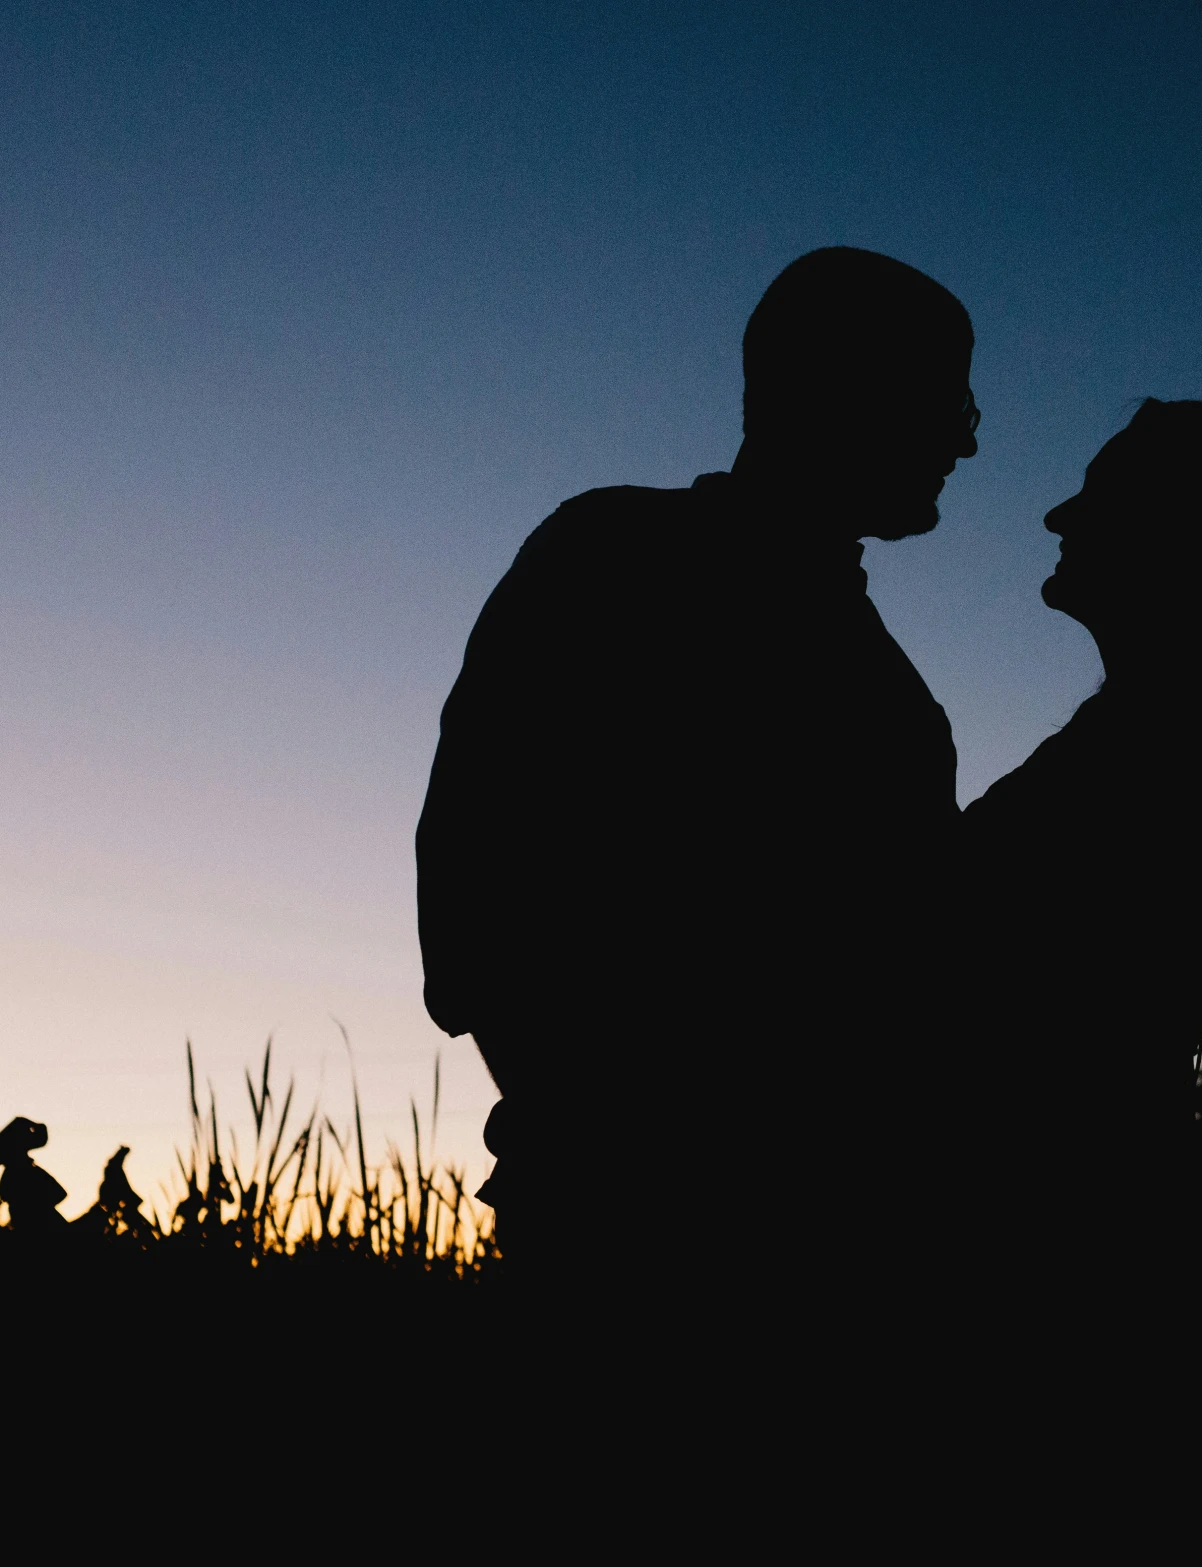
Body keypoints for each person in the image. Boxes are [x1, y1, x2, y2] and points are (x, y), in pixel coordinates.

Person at [416, 248, 978, 1252]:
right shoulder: (609, 556)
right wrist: (591, 1121)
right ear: (838, 385)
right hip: (621, 1214)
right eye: (945, 390)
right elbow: (473, 853)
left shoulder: (895, 702)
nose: (968, 433)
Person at [957, 399, 1202, 1213]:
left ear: (1185, 535)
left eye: (1099, 495)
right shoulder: (1162, 741)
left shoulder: (1159, 758)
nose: (1057, 514)